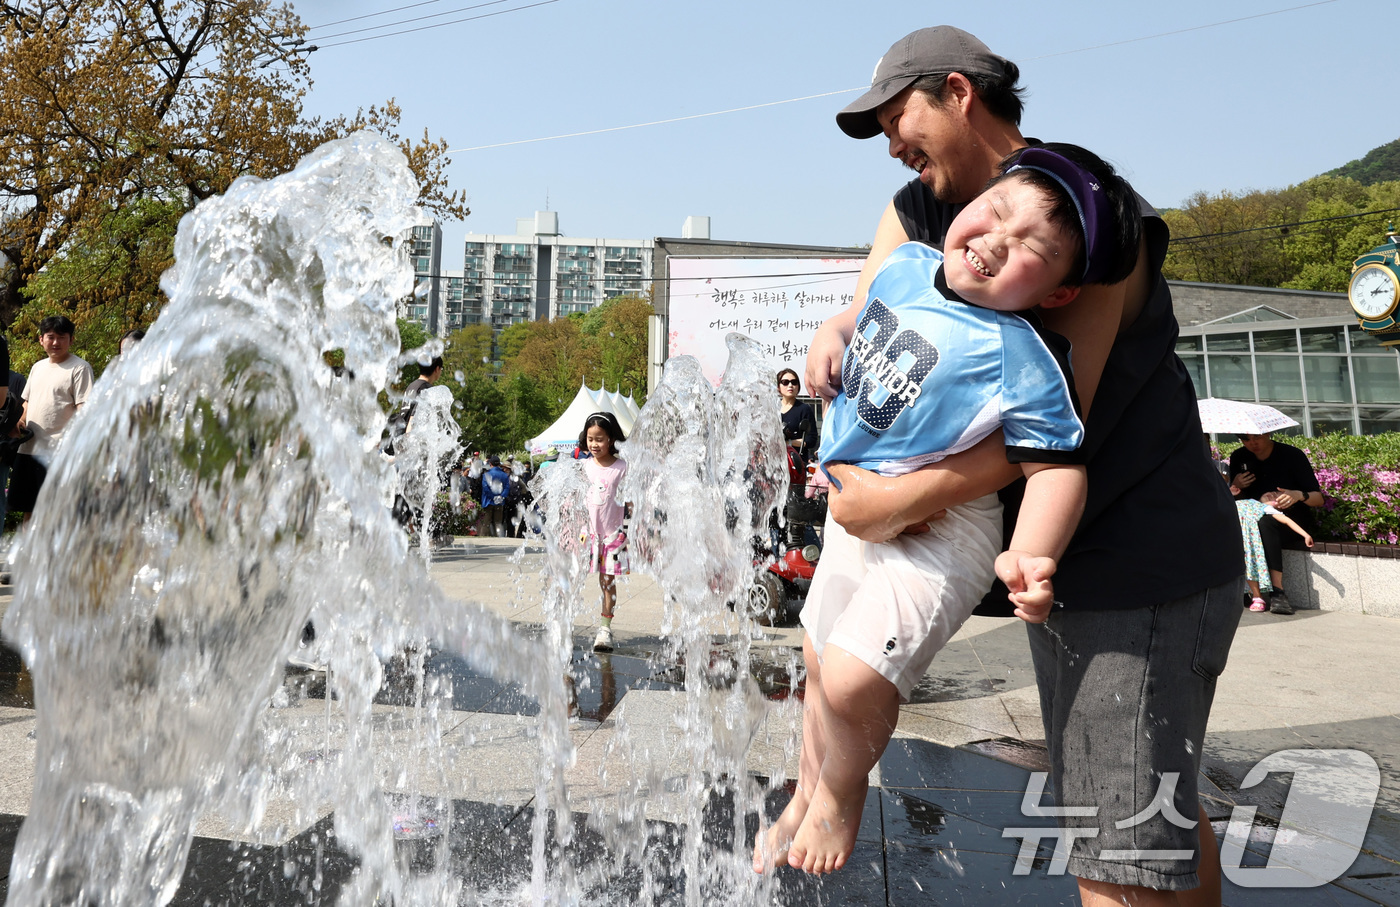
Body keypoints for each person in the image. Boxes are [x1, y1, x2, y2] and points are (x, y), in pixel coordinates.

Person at [801, 26, 1242, 904]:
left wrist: (891, 500)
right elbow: (867, 321)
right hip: (1060, 565)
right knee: (1148, 821)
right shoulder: (920, 212)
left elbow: (1052, 426)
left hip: (1138, 558)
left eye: (899, 116)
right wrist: (829, 339)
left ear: (958, 93)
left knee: (1116, 846)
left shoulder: (1085, 222)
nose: (892, 143)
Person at [759, 143, 1140, 876]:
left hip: (942, 536)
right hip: (853, 505)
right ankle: (805, 792)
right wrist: (831, 337)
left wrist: (1031, 551)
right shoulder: (905, 266)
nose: (996, 242)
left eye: (1031, 247)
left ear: (1059, 293)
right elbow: (856, 314)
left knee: (851, 676)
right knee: (815, 655)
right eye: (996, 215)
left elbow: (1057, 468)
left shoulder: (1022, 354)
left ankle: (841, 795)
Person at [10, 316, 95, 519]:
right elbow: (27, 403)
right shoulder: (37, 367)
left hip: (58, 453)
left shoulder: (80, 368)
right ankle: (27, 551)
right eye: (51, 337)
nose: (56, 342)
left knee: (55, 512)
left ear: (71, 340)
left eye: (61, 337)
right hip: (29, 449)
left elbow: (85, 410)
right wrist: (18, 423)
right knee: (28, 509)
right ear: (41, 340)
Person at [1228, 432, 1322, 615]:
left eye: (1257, 437)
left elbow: (1318, 499)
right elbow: (1238, 501)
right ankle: (1243, 590)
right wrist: (1236, 486)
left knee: (1265, 523)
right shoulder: (1239, 457)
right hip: (1252, 521)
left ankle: (1277, 592)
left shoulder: (1292, 456)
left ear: (1268, 434)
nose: (1252, 443)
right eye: (1246, 440)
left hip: (1288, 520)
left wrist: (1298, 495)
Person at [581, 412, 629, 652]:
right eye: (590, 438)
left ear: (611, 439)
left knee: (607, 582)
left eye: (599, 439)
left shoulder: (622, 468)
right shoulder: (584, 467)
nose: (594, 444)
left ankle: (604, 629)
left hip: (612, 535)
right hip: (587, 535)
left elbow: (632, 501)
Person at [1236, 491, 1312, 611]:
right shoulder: (1239, 502)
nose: (1272, 494)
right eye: (1274, 492)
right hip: (1238, 541)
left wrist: (1305, 535)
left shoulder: (1264, 508)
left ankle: (1257, 597)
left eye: (1278, 497)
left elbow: (1286, 520)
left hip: (1250, 545)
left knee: (1251, 566)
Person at [480, 455, 511, 537]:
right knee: (498, 522)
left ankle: (484, 540)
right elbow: (507, 487)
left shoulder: (486, 474)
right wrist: (501, 497)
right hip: (500, 502)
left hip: (488, 501)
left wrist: (492, 497)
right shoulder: (504, 475)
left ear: (490, 463)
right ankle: (499, 540)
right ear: (499, 464)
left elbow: (485, 488)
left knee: (486, 523)